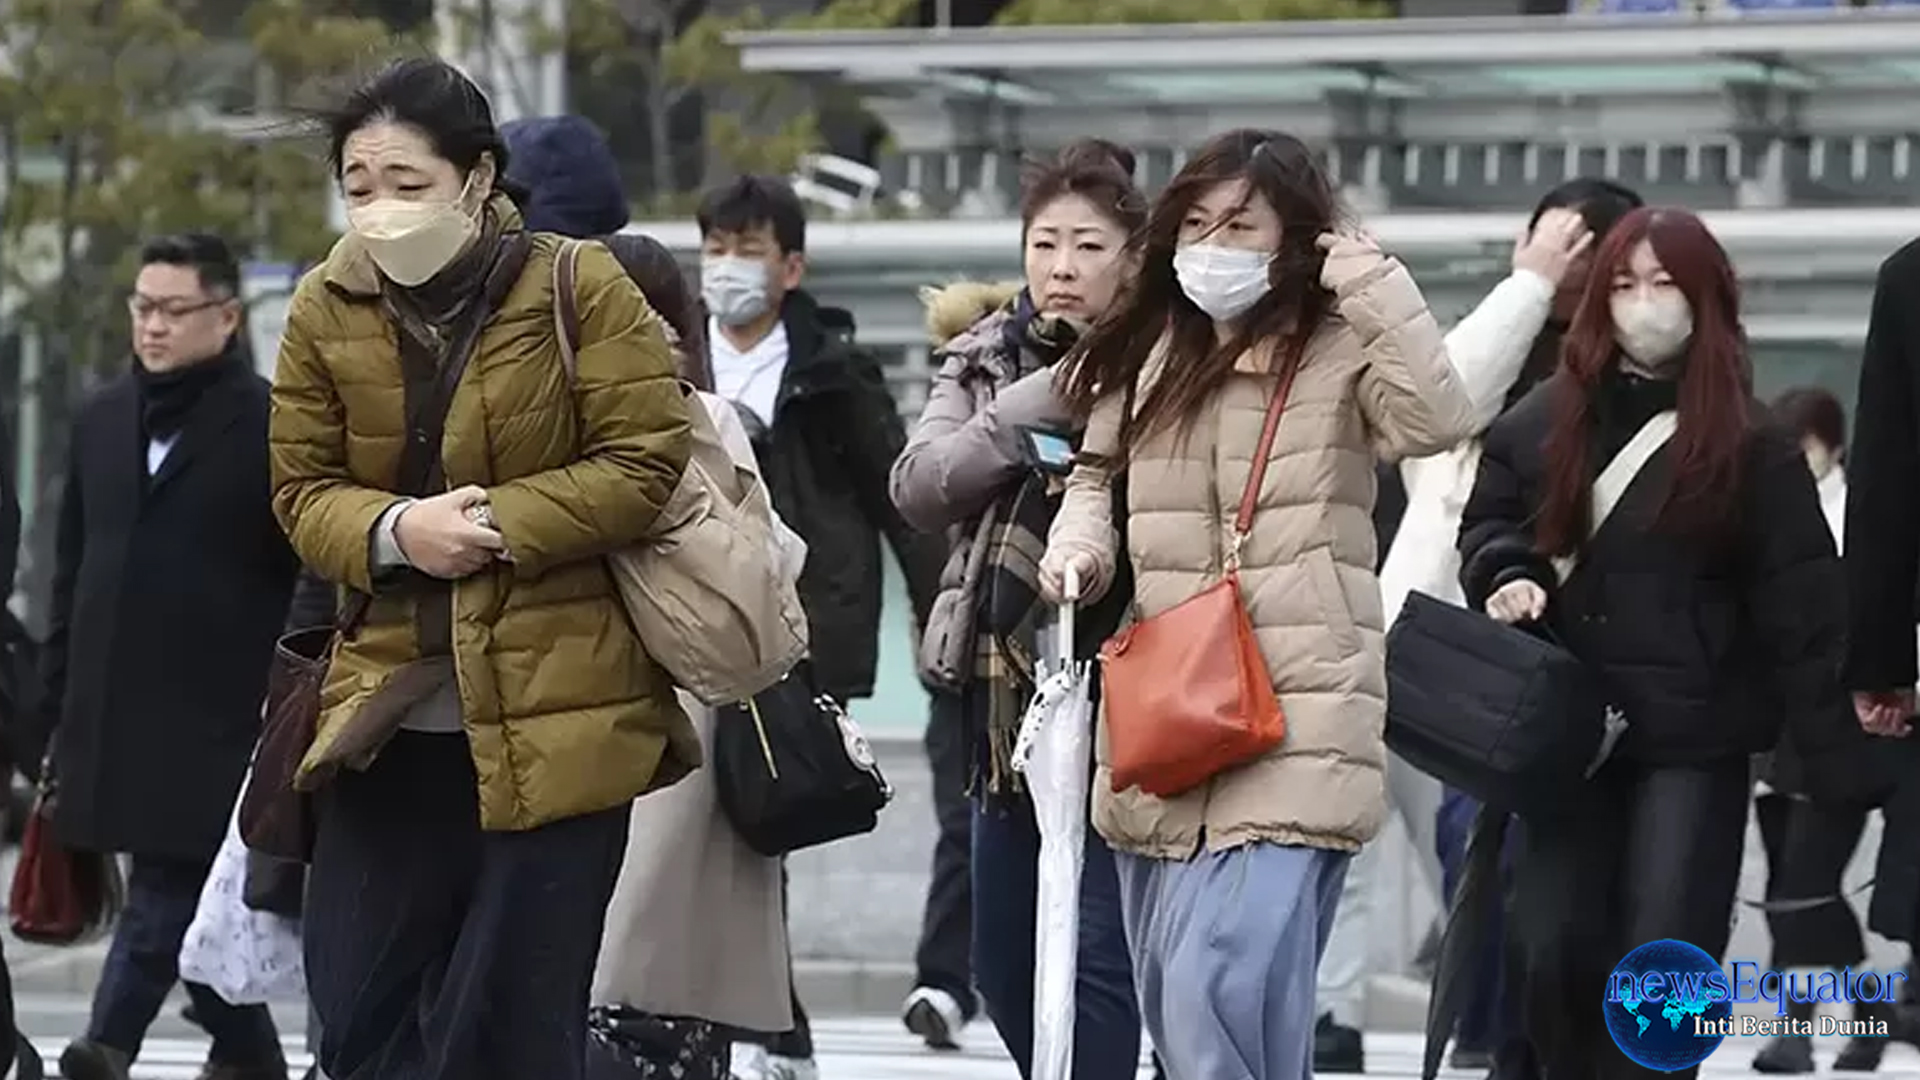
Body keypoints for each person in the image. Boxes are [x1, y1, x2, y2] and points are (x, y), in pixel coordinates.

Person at [268, 58, 695, 1080]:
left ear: (477, 176)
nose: (379, 209)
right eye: (358, 186)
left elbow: (647, 460)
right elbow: (299, 489)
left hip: (563, 720)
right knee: (357, 1020)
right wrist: (397, 532)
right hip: (387, 722)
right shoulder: (324, 306)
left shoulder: (577, 284)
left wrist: (501, 520)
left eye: (406, 184)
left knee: (511, 1034)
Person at [1037, 128, 1476, 1079]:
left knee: (1215, 983)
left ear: (1297, 239)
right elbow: (1094, 471)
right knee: (1191, 995)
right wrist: (1079, 546)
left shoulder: (1342, 343)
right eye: (1195, 222)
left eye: (1241, 225)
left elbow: (1438, 419)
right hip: (1172, 707)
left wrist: (1370, 277)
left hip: (1302, 708)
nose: (1212, 246)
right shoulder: (1152, 346)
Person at [1457, 207, 1853, 1079]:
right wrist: (1504, 573)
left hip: (1697, 739)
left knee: (1667, 955)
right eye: (1625, 284)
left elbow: (1807, 610)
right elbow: (1490, 524)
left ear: (1706, 297)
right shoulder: (1542, 420)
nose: (1644, 304)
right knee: (1551, 943)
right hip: (1569, 735)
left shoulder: (1755, 445)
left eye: (1664, 284)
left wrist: (1839, 759)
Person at [1318, 177, 1643, 1077]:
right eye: (1548, 240)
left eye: (1583, 247)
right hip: (1430, 644)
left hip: (1553, 658)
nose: (1564, 261)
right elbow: (1437, 405)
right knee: (1409, 842)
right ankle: (1396, 1017)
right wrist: (1529, 286)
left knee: (1489, 852)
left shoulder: (1634, 367)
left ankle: (1507, 1031)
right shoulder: (1505, 336)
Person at [890, 138, 1146, 1078]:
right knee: (1002, 960)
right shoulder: (986, 352)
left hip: (1130, 676)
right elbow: (919, 485)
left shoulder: (1169, 358)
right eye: (1045, 244)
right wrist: (1034, 404)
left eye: (1088, 245)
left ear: (1134, 256)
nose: (1063, 268)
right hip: (1005, 690)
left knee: (1099, 954)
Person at [692, 175, 944, 1080]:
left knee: (767, 819)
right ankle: (744, 1018)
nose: (727, 268)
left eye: (747, 248)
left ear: (790, 266)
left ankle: (770, 1024)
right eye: (715, 247)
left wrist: (936, 616)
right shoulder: (677, 357)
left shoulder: (833, 370)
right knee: (701, 829)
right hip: (695, 628)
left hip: (802, 631)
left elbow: (901, 502)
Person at [45, 233, 298, 1080]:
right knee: (184, 893)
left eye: (172, 310)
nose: (151, 326)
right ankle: (250, 1053)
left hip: (221, 711)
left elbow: (301, 571)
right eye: (142, 307)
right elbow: (71, 567)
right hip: (113, 705)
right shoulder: (100, 416)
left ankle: (105, 1045)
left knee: (166, 879)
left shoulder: (272, 421)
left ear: (225, 316)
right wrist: (52, 705)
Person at [584, 231, 788, 1080]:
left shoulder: (700, 421)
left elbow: (763, 570)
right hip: (603, 732)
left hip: (675, 729)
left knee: (644, 992)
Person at [1749, 387, 1893, 1074]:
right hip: (1776, 734)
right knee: (1792, 885)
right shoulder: (1771, 514)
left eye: (1803, 446)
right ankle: (1863, 1014)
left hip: (1842, 729)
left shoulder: (1855, 515)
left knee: (1803, 884)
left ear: (1832, 446)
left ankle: (1797, 1030)